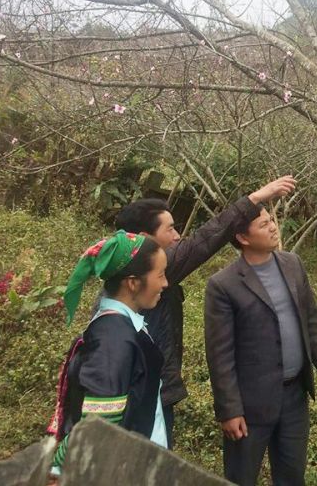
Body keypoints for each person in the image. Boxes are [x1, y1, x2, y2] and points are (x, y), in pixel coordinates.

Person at [113, 176, 296, 447]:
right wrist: (256, 198)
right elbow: (204, 241)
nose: (178, 236)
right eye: (170, 230)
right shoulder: (141, 272)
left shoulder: (129, 270)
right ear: (143, 240)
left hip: (151, 392)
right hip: (141, 397)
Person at [205, 205, 317, 486]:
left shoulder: (292, 264)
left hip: (294, 396)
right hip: (250, 404)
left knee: (292, 475)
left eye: (272, 221)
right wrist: (229, 409)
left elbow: (310, 318)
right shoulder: (223, 285)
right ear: (242, 237)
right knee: (241, 476)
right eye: (264, 225)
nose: (273, 227)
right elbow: (219, 355)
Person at [49, 231, 168, 475]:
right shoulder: (113, 340)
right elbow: (97, 425)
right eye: (161, 275)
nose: (165, 283)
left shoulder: (121, 326)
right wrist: (57, 468)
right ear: (133, 282)